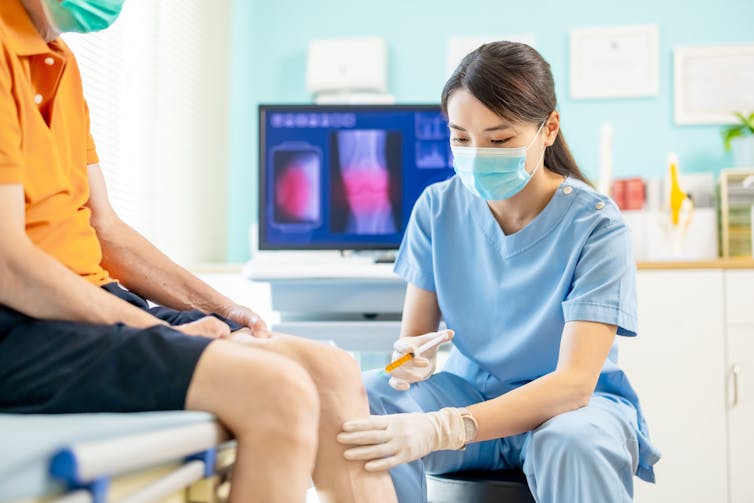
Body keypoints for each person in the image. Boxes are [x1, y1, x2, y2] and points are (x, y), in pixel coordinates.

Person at [0, 1, 397, 502]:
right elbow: (10, 268)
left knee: (332, 371)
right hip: (22, 321)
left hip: (89, 305)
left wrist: (219, 309)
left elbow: (106, 231)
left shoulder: (60, 60)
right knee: (280, 391)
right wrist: (162, 329)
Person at [336, 41, 661, 503]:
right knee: (364, 399)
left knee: (572, 442)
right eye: (460, 138)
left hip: (568, 410)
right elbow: (414, 341)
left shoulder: (596, 225)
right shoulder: (437, 208)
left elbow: (573, 383)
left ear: (548, 129)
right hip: (469, 392)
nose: (476, 154)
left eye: (499, 139)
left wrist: (446, 426)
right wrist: (412, 359)